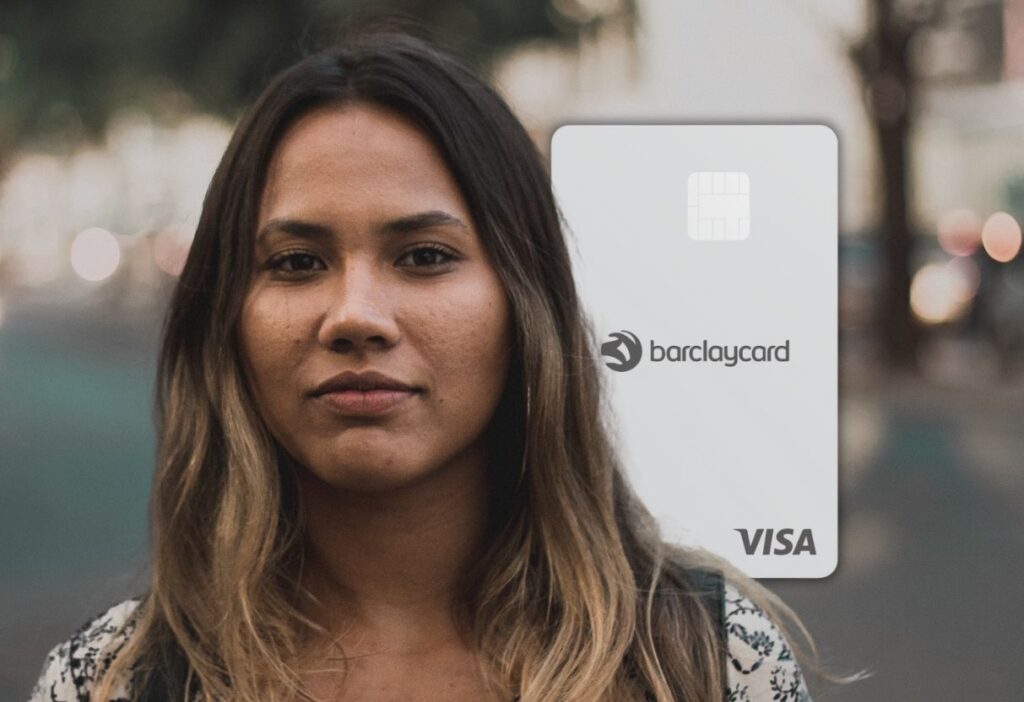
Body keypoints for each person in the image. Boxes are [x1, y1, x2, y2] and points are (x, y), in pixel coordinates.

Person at [29, 31, 814, 702]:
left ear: (523, 300)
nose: (356, 316)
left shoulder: (712, 663)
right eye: (298, 262)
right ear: (226, 317)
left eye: (426, 256)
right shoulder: (113, 682)